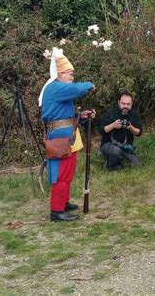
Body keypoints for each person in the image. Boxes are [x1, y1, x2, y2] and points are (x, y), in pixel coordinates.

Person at [39, 48, 95, 222]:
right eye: (69, 74)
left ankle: (63, 202)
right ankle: (56, 211)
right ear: (60, 74)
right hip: (59, 139)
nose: (72, 78)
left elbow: (62, 115)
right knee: (61, 174)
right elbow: (80, 88)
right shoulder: (56, 87)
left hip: (65, 137)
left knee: (67, 172)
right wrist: (90, 84)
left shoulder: (58, 88)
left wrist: (81, 116)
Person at [99, 91, 142, 170]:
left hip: (125, 146)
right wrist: (113, 125)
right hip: (108, 144)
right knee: (115, 151)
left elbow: (138, 133)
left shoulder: (135, 114)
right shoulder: (110, 113)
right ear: (119, 102)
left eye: (128, 104)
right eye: (123, 103)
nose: (125, 106)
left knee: (137, 163)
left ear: (132, 104)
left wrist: (130, 127)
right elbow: (102, 130)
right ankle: (112, 166)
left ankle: (118, 157)